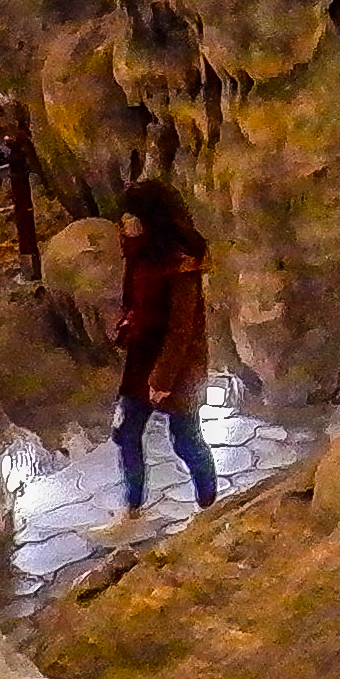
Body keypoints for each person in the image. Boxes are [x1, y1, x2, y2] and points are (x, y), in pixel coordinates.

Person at [115, 177, 217, 514]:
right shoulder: (139, 254)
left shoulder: (179, 263)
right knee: (126, 432)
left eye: (131, 217)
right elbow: (135, 300)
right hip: (142, 357)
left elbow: (181, 329)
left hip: (177, 365)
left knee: (186, 439)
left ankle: (209, 504)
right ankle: (132, 507)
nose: (123, 224)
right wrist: (130, 319)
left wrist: (162, 380)